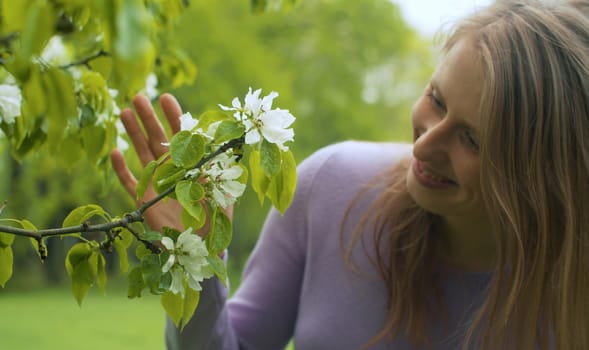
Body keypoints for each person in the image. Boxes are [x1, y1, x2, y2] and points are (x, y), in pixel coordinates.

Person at [110, 0, 589, 349]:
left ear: (544, 178)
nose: (423, 144)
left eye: (473, 140)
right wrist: (197, 262)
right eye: (436, 100)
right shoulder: (329, 186)